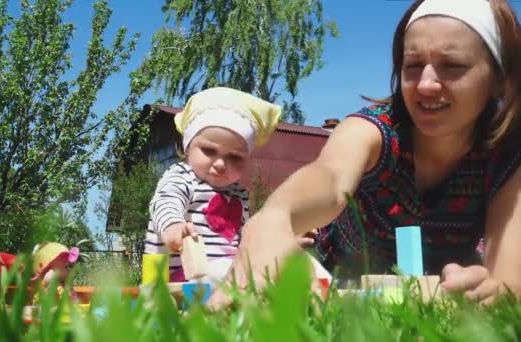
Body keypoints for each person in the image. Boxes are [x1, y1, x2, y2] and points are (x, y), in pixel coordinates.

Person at [209, 0, 521, 307]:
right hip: (335, 294)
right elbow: (329, 177)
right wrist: (274, 218)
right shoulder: (375, 128)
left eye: (452, 66)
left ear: (500, 80)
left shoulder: (506, 156)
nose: (425, 84)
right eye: (412, 66)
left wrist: (486, 291)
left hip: (436, 299)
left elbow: (508, 285)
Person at [143, 87, 281, 283]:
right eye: (209, 150)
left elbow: (243, 240)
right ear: (187, 147)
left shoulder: (239, 194)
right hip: (177, 276)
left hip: (222, 273)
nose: (220, 164)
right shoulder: (182, 176)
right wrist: (173, 225)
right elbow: (166, 202)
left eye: (235, 157)